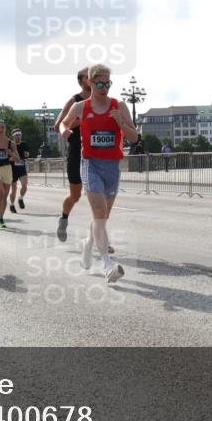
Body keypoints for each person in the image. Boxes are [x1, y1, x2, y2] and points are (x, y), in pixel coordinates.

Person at [59, 64, 139, 283]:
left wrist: (121, 123)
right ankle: (107, 264)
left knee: (102, 217)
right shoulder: (81, 107)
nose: (105, 88)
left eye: (108, 84)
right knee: (99, 211)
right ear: (90, 83)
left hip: (112, 166)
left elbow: (134, 138)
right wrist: (65, 130)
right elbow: (63, 123)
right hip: (90, 164)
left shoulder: (119, 105)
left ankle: (88, 243)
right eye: (100, 84)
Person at [53, 67, 91, 241]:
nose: (92, 78)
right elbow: (58, 125)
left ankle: (99, 237)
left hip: (97, 155)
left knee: (98, 198)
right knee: (75, 195)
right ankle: (64, 218)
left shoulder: (103, 101)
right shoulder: (75, 101)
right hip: (77, 153)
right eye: (88, 76)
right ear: (81, 80)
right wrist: (82, 119)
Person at [9, 129, 30, 213]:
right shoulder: (10, 145)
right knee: (13, 189)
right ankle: (11, 204)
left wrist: (26, 155)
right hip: (13, 169)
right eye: (16, 135)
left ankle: (20, 198)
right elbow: (7, 158)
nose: (18, 137)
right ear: (13, 136)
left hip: (22, 168)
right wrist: (13, 157)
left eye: (20, 135)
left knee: (24, 185)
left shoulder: (24, 144)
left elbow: (27, 155)